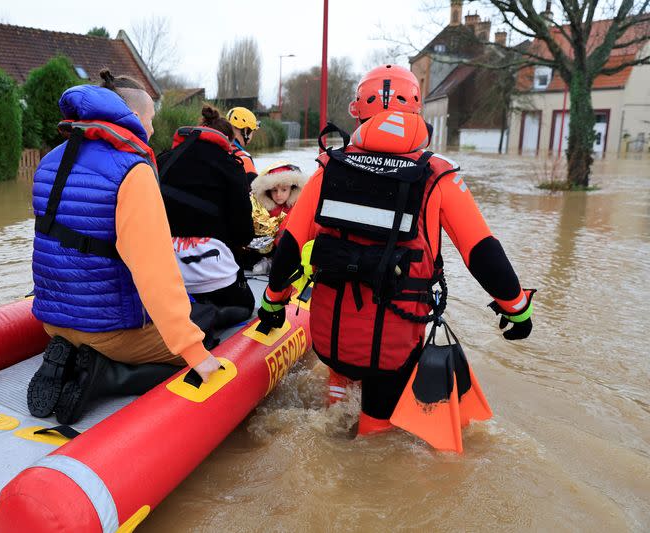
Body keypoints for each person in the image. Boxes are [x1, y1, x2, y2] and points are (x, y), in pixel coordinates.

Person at [256, 65, 536, 439]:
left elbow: (289, 245)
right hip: (393, 342)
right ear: (416, 110)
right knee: (374, 443)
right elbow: (482, 251)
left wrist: (274, 304)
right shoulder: (438, 174)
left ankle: (336, 399)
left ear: (358, 110)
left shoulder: (329, 167)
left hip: (330, 335)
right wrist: (516, 308)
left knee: (334, 404)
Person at [28, 72, 222, 424]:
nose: (149, 130)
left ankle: (73, 352)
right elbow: (156, 272)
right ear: (131, 117)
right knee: (208, 332)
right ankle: (107, 376)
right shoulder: (131, 170)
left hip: (52, 323)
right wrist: (195, 351)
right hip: (108, 333)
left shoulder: (49, 161)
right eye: (148, 120)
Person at [157, 105, 256, 325]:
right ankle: (206, 318)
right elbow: (244, 234)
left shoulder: (163, 160)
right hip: (213, 273)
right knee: (246, 304)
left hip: (166, 273)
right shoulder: (232, 167)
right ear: (228, 141)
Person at [248, 162, 308, 275]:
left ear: (292, 189)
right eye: (274, 190)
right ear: (268, 190)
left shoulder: (298, 208)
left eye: (284, 190)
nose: (278, 195)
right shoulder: (261, 210)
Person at [226, 107, 259, 183]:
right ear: (245, 130)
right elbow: (256, 189)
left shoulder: (216, 148)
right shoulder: (243, 158)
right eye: (252, 131)